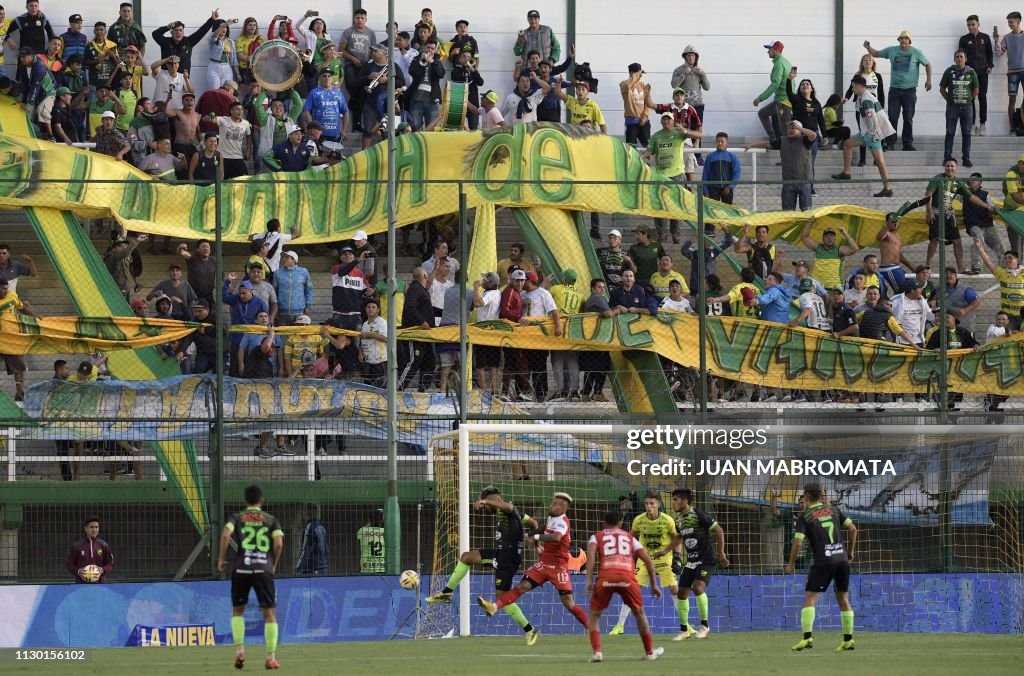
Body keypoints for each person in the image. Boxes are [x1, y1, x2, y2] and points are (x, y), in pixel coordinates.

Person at [428, 486, 541, 645]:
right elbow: (534, 523)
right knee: (466, 557)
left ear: (493, 500)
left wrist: (485, 500)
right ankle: (447, 593)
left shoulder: (507, 508)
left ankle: (530, 630)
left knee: (502, 599)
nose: (486, 507)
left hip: (508, 559)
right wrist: (536, 545)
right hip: (500, 554)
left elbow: (508, 506)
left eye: (487, 504)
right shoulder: (516, 514)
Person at [478, 492, 590, 630]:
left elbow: (556, 537)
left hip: (558, 567)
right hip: (543, 564)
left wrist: (535, 537)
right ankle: (493, 607)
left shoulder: (563, 522)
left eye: (554, 504)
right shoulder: (552, 517)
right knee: (522, 587)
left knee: (569, 603)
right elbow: (545, 527)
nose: (551, 505)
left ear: (562, 507)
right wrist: (528, 534)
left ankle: (590, 627)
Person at [218, 484, 284, 670]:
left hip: (242, 569)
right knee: (269, 614)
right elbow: (278, 543)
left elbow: (225, 535)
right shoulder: (271, 519)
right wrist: (274, 563)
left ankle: (239, 651)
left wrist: (221, 559)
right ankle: (270, 658)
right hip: (264, 569)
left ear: (245, 501)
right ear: (261, 501)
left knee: (238, 611)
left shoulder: (237, 517)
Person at [785, 483, 857, 652]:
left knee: (810, 597)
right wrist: (850, 552)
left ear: (807, 497)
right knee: (843, 599)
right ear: (821, 496)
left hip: (823, 561)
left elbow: (797, 542)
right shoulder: (834, 510)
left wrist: (791, 564)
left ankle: (807, 638)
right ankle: (848, 640)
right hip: (842, 559)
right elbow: (853, 529)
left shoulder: (806, 516)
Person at [586, 512, 665, 662]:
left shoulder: (596, 537)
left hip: (605, 578)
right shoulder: (629, 538)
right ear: (620, 523)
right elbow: (648, 561)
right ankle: (649, 652)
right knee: (639, 613)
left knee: (595, 615)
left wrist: (589, 580)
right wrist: (654, 585)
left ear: (604, 523)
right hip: (627, 577)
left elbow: (590, 557)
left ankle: (597, 652)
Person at [654, 489, 728, 640]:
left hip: (706, 559)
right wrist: (665, 550)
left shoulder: (698, 514)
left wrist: (721, 553)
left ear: (685, 501)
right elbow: (678, 539)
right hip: (692, 561)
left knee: (698, 587)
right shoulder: (680, 520)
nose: (673, 503)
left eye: (676, 500)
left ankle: (705, 626)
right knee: (681, 593)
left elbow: (718, 530)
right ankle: (684, 631)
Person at [608, 493, 678, 636]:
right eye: (646, 504)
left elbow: (677, 539)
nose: (649, 507)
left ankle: (686, 625)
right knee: (632, 588)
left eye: (652, 503)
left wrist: (677, 557)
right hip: (644, 559)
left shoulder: (668, 520)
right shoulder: (639, 520)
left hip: (664, 558)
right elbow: (629, 537)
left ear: (658, 504)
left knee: (674, 589)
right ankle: (619, 626)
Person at [865, 31, 932, 151]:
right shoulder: (892, 50)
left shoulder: (916, 52)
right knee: (892, 117)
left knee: (908, 117)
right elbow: (877, 53)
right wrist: (868, 47)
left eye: (906, 39)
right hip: (894, 91)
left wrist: (928, 80)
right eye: (901, 38)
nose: (903, 41)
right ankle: (890, 143)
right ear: (898, 40)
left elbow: (927, 64)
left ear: (909, 41)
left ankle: (907, 143)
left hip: (909, 91)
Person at [925, 159, 994, 271]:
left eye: (952, 166)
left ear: (956, 168)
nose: (950, 168)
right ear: (944, 167)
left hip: (949, 215)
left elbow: (972, 197)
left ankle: (961, 268)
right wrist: (929, 211)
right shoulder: (937, 179)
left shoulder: (958, 182)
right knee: (935, 239)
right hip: (936, 213)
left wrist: (987, 206)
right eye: (947, 166)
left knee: (957, 241)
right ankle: (927, 266)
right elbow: (928, 195)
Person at [646, 112, 699, 242]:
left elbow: (698, 135)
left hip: (677, 175)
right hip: (660, 176)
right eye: (663, 119)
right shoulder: (656, 136)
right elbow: (649, 151)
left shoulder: (679, 132)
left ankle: (675, 234)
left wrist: (685, 130)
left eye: (668, 119)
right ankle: (662, 234)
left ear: (673, 120)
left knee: (676, 205)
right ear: (661, 122)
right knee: (659, 205)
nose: (666, 122)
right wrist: (641, 155)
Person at [747, 119, 816, 210]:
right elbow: (767, 144)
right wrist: (751, 145)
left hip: (804, 180)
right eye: (789, 128)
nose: (790, 130)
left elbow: (813, 135)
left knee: (806, 210)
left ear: (800, 130)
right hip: (788, 181)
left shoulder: (805, 140)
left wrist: (799, 127)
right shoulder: (783, 141)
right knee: (787, 211)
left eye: (793, 128)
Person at [939, 50, 979, 166]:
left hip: (967, 108)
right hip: (952, 107)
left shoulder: (971, 72)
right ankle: (947, 157)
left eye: (961, 57)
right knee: (950, 132)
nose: (959, 59)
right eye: (957, 57)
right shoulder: (949, 71)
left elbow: (976, 90)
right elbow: (942, 89)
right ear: (954, 59)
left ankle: (966, 158)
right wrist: (950, 100)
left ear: (965, 59)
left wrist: (967, 100)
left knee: (966, 133)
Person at [974, 241, 1024, 332]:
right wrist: (980, 250)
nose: (1007, 260)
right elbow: (989, 263)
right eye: (1005, 258)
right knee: (1009, 339)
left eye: (1010, 258)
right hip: (1008, 316)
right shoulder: (1002, 273)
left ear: (1017, 259)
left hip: (1023, 314)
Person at [799, 220, 859, 290]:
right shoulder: (818, 248)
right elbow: (804, 237)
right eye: (826, 236)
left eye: (832, 236)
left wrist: (845, 234)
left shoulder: (839, 250)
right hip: (817, 286)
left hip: (835, 288)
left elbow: (855, 248)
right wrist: (810, 222)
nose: (829, 237)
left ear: (835, 239)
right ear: (823, 239)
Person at [960, 15, 994, 137]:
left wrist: (990, 65)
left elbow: (990, 53)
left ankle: (983, 124)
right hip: (969, 73)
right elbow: (961, 55)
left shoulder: (985, 38)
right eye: (968, 25)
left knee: (982, 97)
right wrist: (963, 69)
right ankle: (972, 125)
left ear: (978, 24)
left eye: (973, 24)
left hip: (983, 72)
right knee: (970, 99)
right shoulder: (964, 39)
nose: (971, 27)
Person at [754, 40, 792, 146]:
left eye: (769, 49)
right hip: (784, 101)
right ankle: (774, 138)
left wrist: (760, 98)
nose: (767, 52)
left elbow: (775, 84)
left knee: (785, 132)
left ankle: (775, 141)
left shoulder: (779, 64)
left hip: (783, 102)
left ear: (776, 50)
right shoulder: (786, 62)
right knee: (763, 114)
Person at [995, 11, 1024, 132]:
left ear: (1018, 22)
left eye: (1011, 22)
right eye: (1008, 22)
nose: (1009, 24)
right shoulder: (1007, 37)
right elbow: (999, 54)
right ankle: (1013, 128)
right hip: (1012, 73)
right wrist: (996, 41)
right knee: (1012, 100)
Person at [65, 516, 113, 583]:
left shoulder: (103, 545)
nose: (94, 530)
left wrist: (102, 570)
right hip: (81, 584)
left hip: (100, 584)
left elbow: (110, 563)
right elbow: (69, 564)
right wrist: (78, 571)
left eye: (96, 527)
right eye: (91, 527)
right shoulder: (77, 546)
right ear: (86, 529)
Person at [620, 63, 655, 149]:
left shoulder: (643, 85)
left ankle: (647, 162)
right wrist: (635, 76)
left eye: (641, 74)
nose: (641, 76)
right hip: (631, 122)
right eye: (639, 74)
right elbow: (626, 85)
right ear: (632, 73)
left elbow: (648, 103)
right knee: (631, 148)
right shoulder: (624, 84)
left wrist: (645, 116)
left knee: (648, 147)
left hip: (644, 121)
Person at [702, 132, 741, 204]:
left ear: (727, 143)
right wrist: (705, 191)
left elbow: (736, 173)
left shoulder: (732, 157)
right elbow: (705, 174)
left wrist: (730, 187)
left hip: (727, 189)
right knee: (713, 211)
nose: (720, 143)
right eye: (718, 141)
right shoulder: (710, 157)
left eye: (722, 141)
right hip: (713, 189)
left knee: (727, 212)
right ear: (715, 142)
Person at [295, 503, 328, 576]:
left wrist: (298, 567)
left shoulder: (309, 528)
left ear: (306, 513)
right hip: (323, 568)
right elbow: (326, 549)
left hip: (312, 569)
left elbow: (305, 549)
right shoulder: (321, 527)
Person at [356, 508, 385, 575]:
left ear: (370, 519)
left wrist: (372, 521)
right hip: (381, 566)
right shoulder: (385, 532)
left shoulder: (362, 531)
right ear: (382, 520)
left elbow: (358, 536)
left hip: (366, 565)